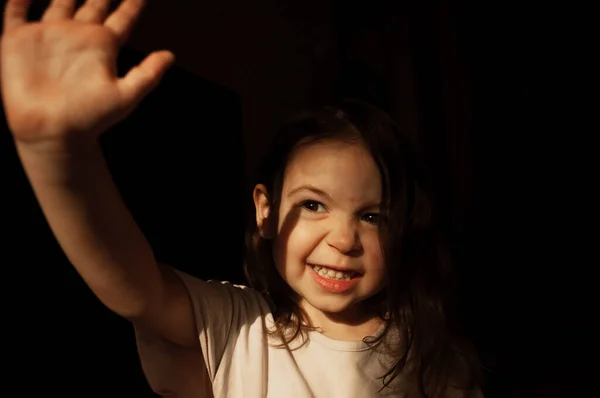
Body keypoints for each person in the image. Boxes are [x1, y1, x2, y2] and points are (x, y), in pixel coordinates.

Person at [1, 0, 483, 397]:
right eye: (314, 204)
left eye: (372, 215)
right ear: (265, 210)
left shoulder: (430, 353)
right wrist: (60, 155)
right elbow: (132, 286)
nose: (343, 239)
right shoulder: (235, 328)